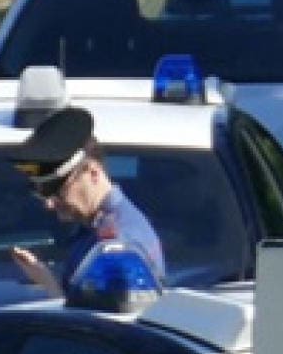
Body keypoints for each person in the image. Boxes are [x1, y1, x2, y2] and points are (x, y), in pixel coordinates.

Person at [10, 108, 167, 293]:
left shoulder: (117, 245)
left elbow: (101, 320)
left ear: (93, 173)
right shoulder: (97, 227)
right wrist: (44, 278)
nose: (49, 203)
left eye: (55, 189)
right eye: (41, 192)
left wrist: (50, 286)